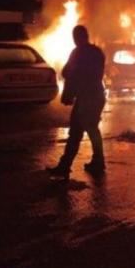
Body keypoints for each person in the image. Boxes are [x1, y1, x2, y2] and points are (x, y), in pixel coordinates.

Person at [47, 25, 106, 179]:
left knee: (77, 132)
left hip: (87, 97)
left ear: (77, 37)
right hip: (96, 95)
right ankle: (97, 162)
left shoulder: (78, 52)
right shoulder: (97, 52)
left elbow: (67, 72)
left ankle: (66, 166)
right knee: (90, 130)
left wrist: (69, 93)